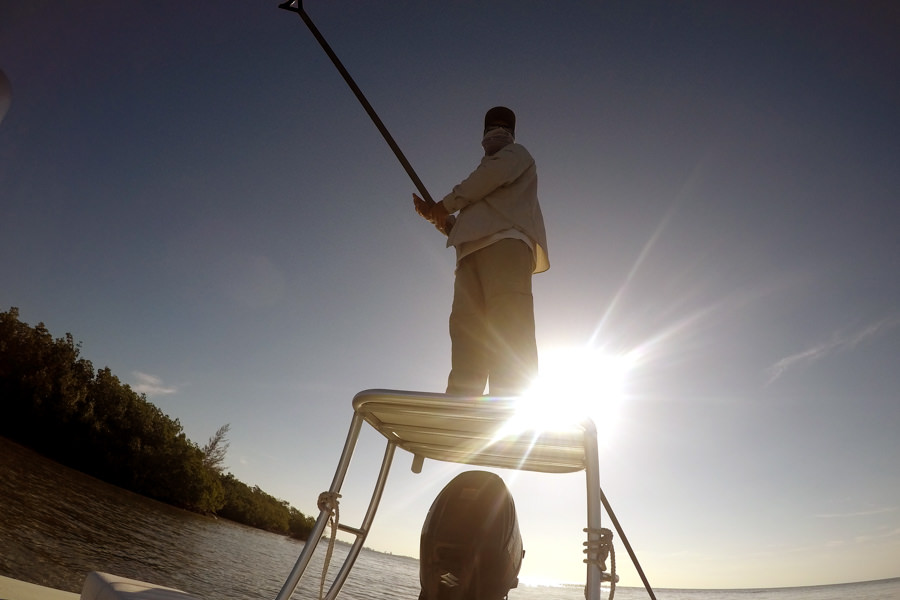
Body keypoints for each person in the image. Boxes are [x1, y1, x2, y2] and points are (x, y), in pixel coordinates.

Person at [414, 106, 549, 396]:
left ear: (512, 134)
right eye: (491, 127)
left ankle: (510, 421)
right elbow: (469, 224)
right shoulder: (481, 181)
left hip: (507, 247)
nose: (496, 131)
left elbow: (486, 180)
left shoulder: (516, 157)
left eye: (503, 127)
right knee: (467, 337)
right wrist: (438, 217)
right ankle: (460, 414)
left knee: (509, 336)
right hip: (469, 257)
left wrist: (445, 204)